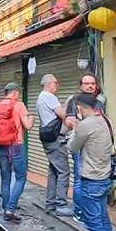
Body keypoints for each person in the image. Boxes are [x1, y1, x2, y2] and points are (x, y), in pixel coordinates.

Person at [68, 94, 115, 231]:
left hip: (91, 179)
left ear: (80, 108)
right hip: (105, 177)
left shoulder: (85, 125)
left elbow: (72, 147)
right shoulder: (105, 120)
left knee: (94, 223)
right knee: (103, 220)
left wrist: (74, 128)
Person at [0, 82, 33, 222]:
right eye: (18, 93)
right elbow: (28, 125)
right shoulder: (18, 105)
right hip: (16, 145)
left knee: (5, 179)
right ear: (15, 93)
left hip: (1, 146)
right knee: (21, 178)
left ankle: (6, 206)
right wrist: (31, 117)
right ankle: (11, 208)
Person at [65, 73, 105, 224]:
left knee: (94, 178)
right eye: (86, 83)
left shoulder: (99, 102)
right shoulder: (74, 101)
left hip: (96, 145)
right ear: (81, 86)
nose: (89, 86)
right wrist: (78, 127)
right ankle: (79, 211)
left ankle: (91, 212)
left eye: (92, 83)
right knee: (79, 179)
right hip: (80, 143)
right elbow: (69, 121)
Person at [36, 74, 73, 216]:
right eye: (56, 83)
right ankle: (61, 205)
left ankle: (51, 202)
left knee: (53, 171)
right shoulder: (49, 97)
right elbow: (63, 114)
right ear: (49, 84)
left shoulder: (40, 97)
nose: (57, 86)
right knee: (64, 171)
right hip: (55, 138)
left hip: (47, 138)